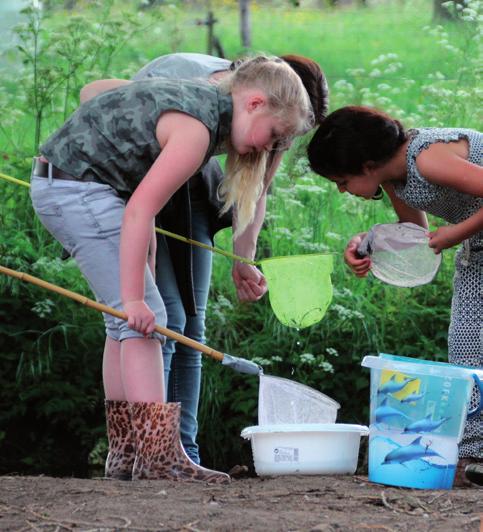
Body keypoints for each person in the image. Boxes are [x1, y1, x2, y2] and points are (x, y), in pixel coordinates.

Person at [30, 55, 313, 484]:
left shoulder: (204, 110)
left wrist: (140, 276)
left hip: (68, 185)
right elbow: (140, 210)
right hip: (79, 190)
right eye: (274, 135)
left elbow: (140, 198)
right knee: (146, 321)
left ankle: (127, 454)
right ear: (254, 103)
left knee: (120, 324)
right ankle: (159, 457)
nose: (267, 148)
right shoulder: (197, 129)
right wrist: (136, 299)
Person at [307, 105, 482, 486]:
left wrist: (455, 233)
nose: (341, 190)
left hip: (472, 237)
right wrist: (366, 243)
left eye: (341, 180)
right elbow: (413, 234)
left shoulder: (428, 158)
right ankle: (474, 454)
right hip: (478, 245)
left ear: (367, 165)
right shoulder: (396, 180)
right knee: (467, 344)